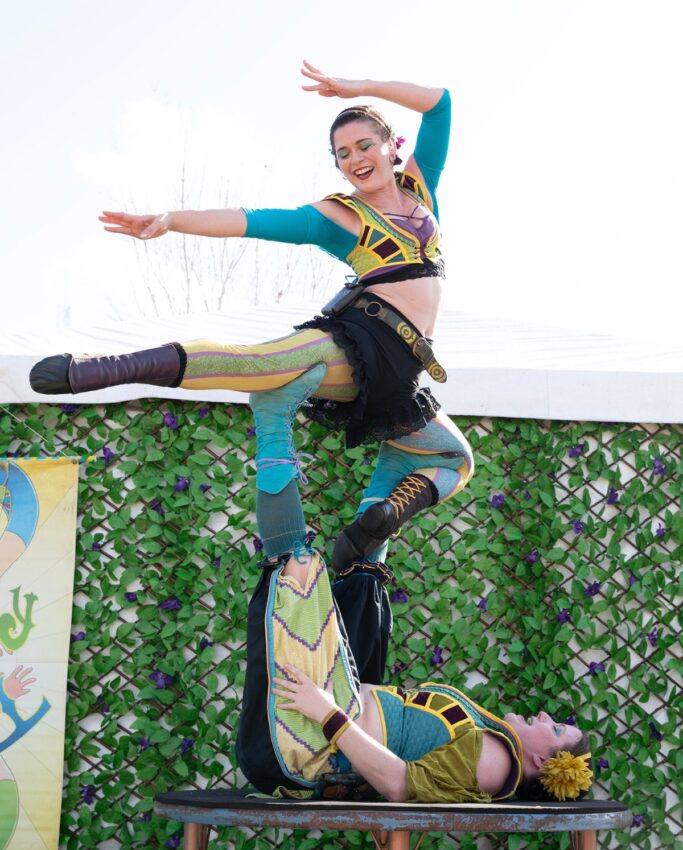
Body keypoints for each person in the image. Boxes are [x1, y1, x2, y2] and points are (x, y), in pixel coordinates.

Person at [30, 62, 473, 572]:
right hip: (363, 340)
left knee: (455, 460)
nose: (355, 159)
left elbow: (440, 103)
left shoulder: (421, 190)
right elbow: (252, 222)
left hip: (406, 366)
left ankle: (378, 522)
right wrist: (172, 221)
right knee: (260, 364)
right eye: (343, 154)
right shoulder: (341, 216)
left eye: (364, 146)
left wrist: (357, 87)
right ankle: (103, 368)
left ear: (391, 147)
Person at [237, 548, 593, 804]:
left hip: (300, 741)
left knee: (295, 563)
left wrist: (327, 714)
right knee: (363, 580)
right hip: (315, 717)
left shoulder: (496, 763)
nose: (546, 716)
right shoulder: (495, 742)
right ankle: (377, 526)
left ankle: (275, 444)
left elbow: (399, 786)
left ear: (544, 763)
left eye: (556, 728)